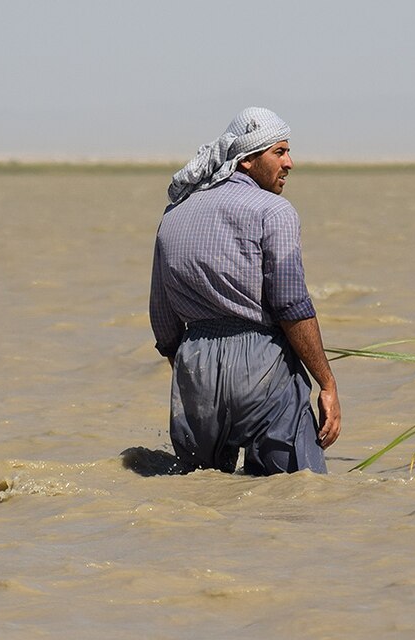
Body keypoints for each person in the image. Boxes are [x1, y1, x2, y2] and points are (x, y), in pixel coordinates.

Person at [149, 107, 341, 475]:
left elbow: (161, 313)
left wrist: (189, 369)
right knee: (294, 492)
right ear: (248, 160)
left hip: (194, 364)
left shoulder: (173, 215)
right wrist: (327, 384)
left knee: (199, 497)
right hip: (262, 364)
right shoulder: (274, 211)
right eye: (280, 152)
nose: (290, 163)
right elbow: (292, 305)